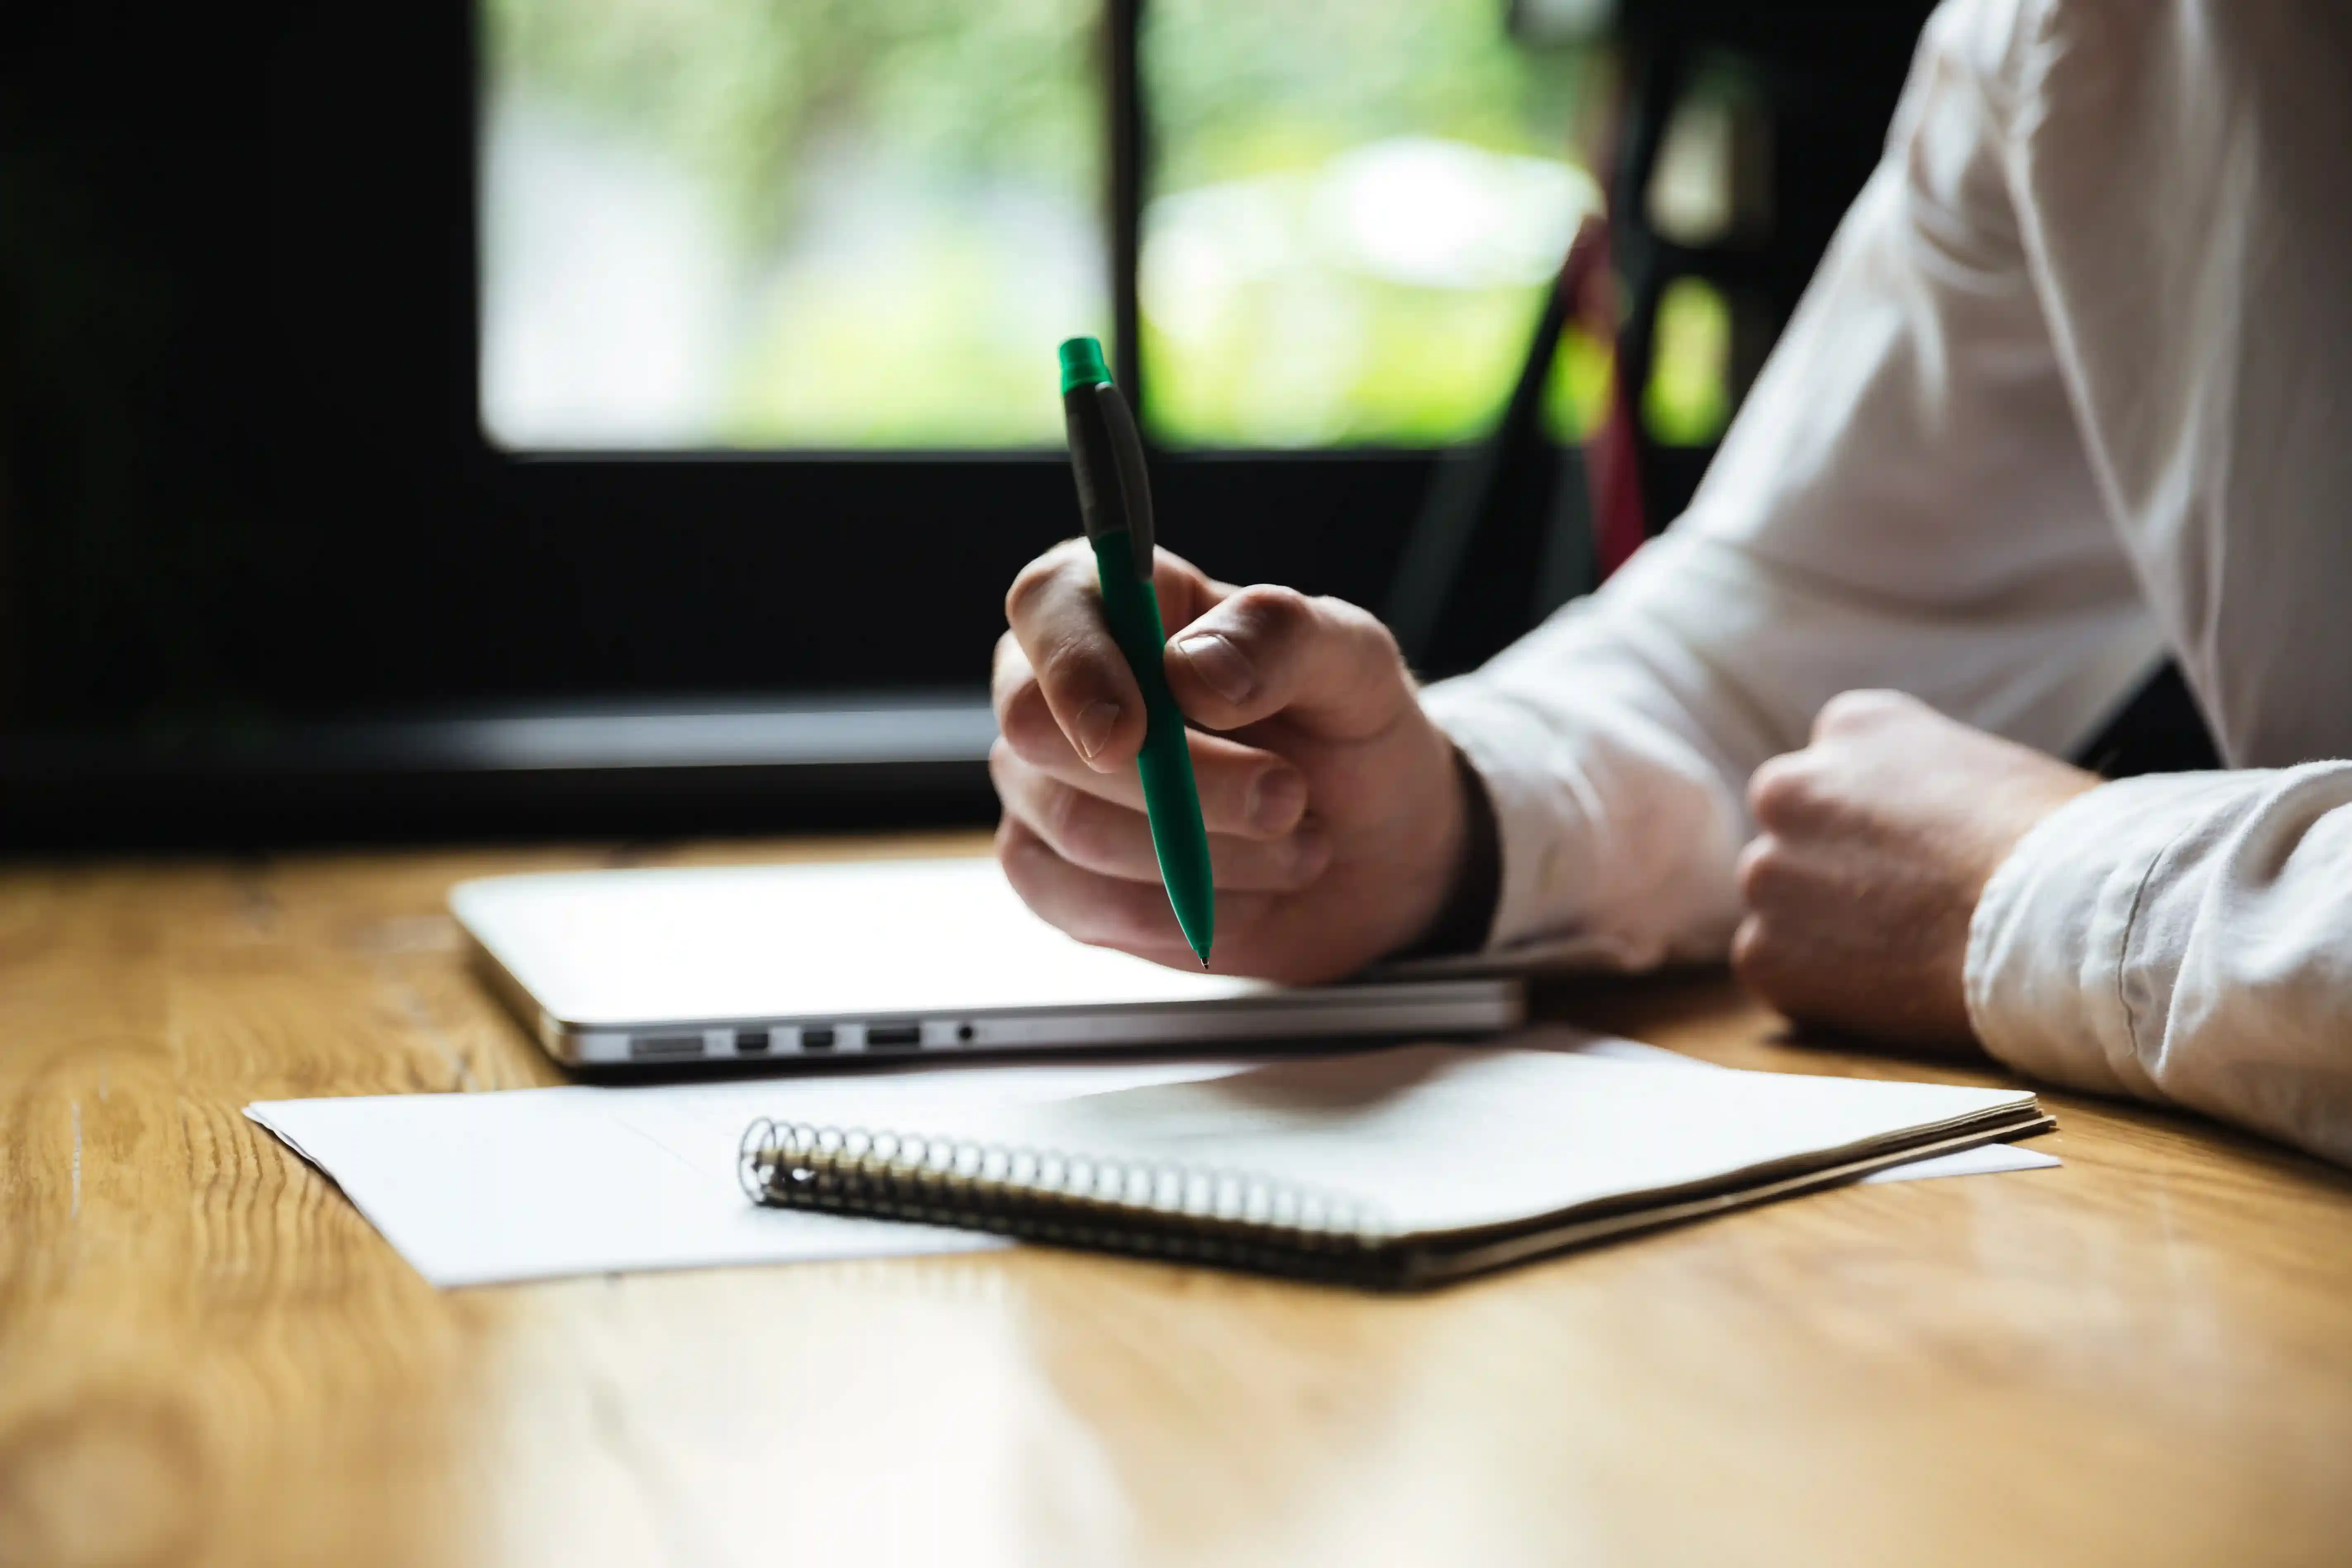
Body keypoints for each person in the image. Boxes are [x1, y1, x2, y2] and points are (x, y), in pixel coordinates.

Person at [989, 0, 2352, 1166]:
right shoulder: (2089, 33)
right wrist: (1437, 827)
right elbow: (1765, 661)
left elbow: (1929, 828)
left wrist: (2040, 891)